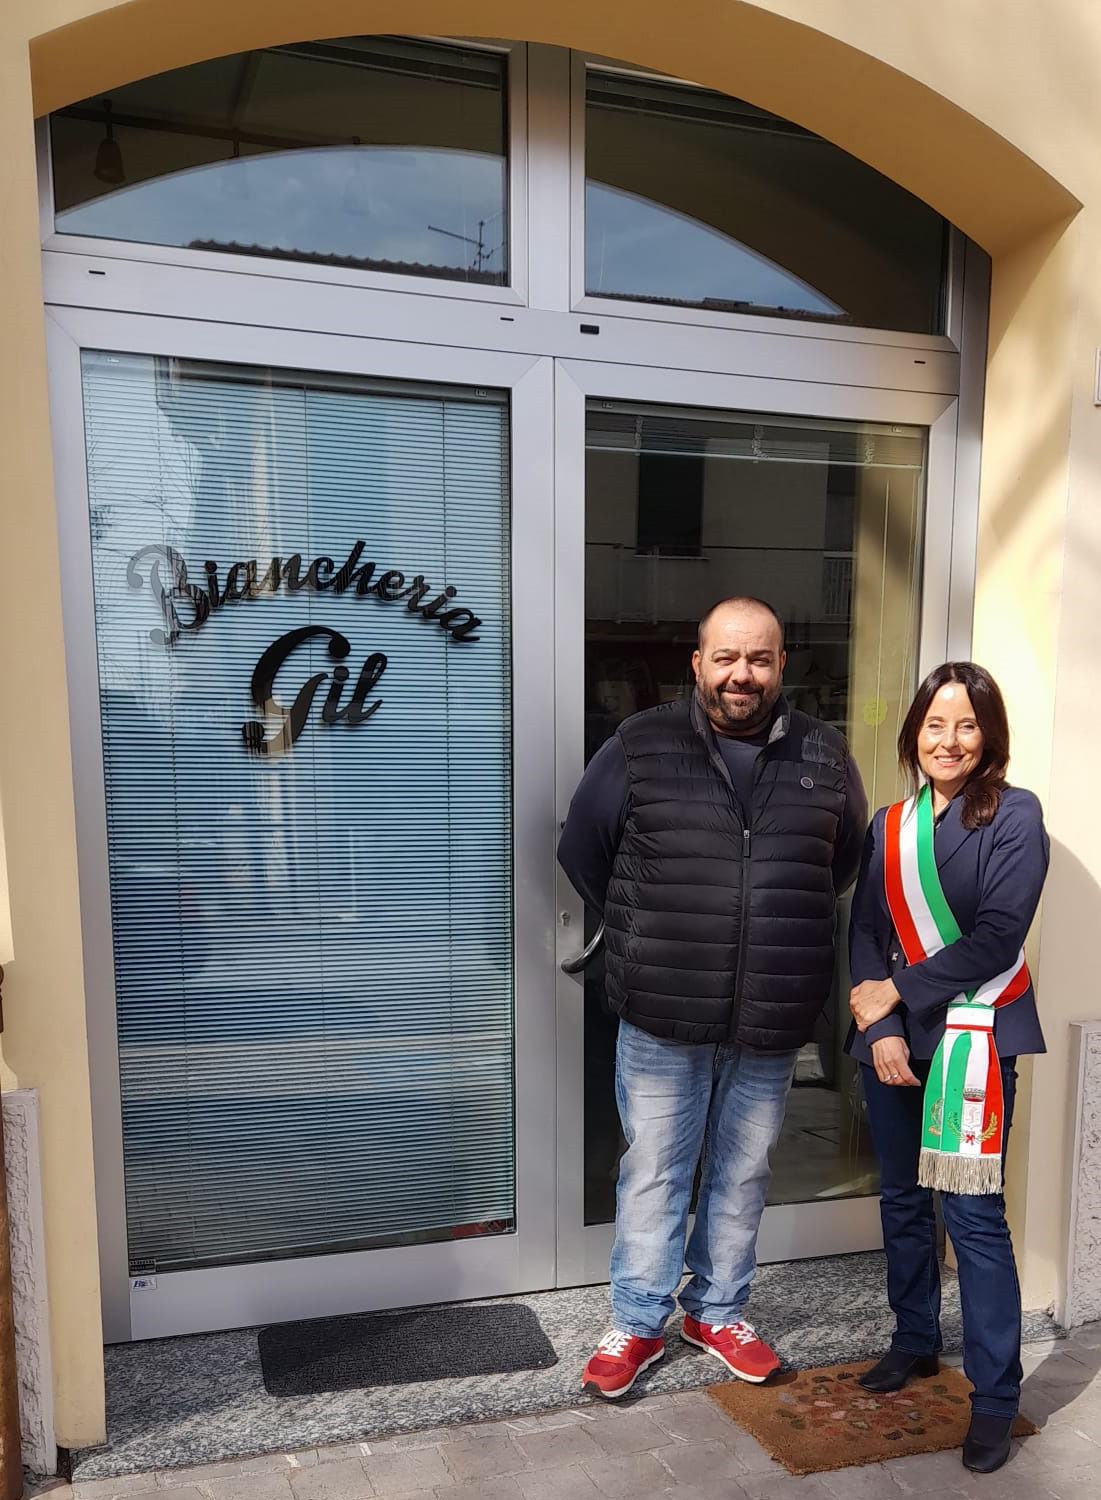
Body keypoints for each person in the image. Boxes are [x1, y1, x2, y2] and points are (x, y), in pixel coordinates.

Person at [558, 597, 868, 1398]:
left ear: (779, 666)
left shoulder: (824, 752)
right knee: (655, 1170)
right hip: (662, 1007)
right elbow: (584, 850)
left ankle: (717, 1311)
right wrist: (649, 928)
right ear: (697, 663)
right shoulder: (639, 743)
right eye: (726, 657)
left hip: (770, 1011)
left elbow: (837, 865)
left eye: (758, 659)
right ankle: (636, 1321)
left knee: (742, 1172)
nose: (741, 674)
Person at [847, 661, 1049, 1475]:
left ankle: (995, 1397)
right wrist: (883, 1027)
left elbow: (998, 934)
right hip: (895, 1042)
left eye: (966, 725)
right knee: (901, 1198)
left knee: (970, 1218)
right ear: (914, 733)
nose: (948, 740)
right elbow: (865, 931)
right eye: (935, 724)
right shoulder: (888, 824)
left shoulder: (1013, 814)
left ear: (987, 736)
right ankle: (914, 1339)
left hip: (974, 1039)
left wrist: (894, 992)